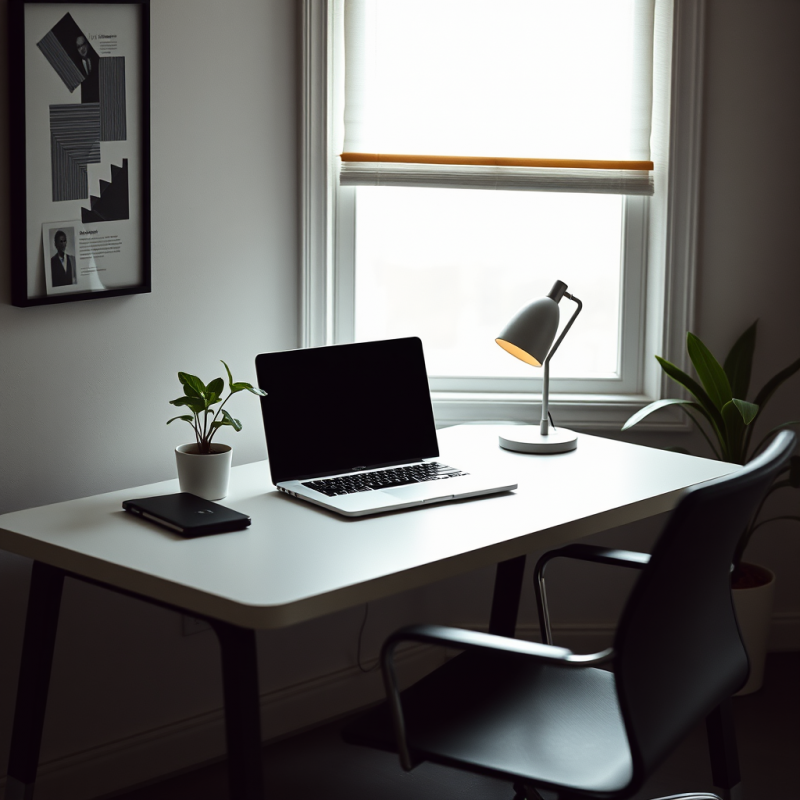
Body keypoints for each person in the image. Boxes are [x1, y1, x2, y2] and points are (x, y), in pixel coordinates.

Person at [77, 35, 99, 103]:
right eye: (79, 47)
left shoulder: (97, 61)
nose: (82, 49)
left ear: (87, 44)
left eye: (83, 44)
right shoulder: (77, 67)